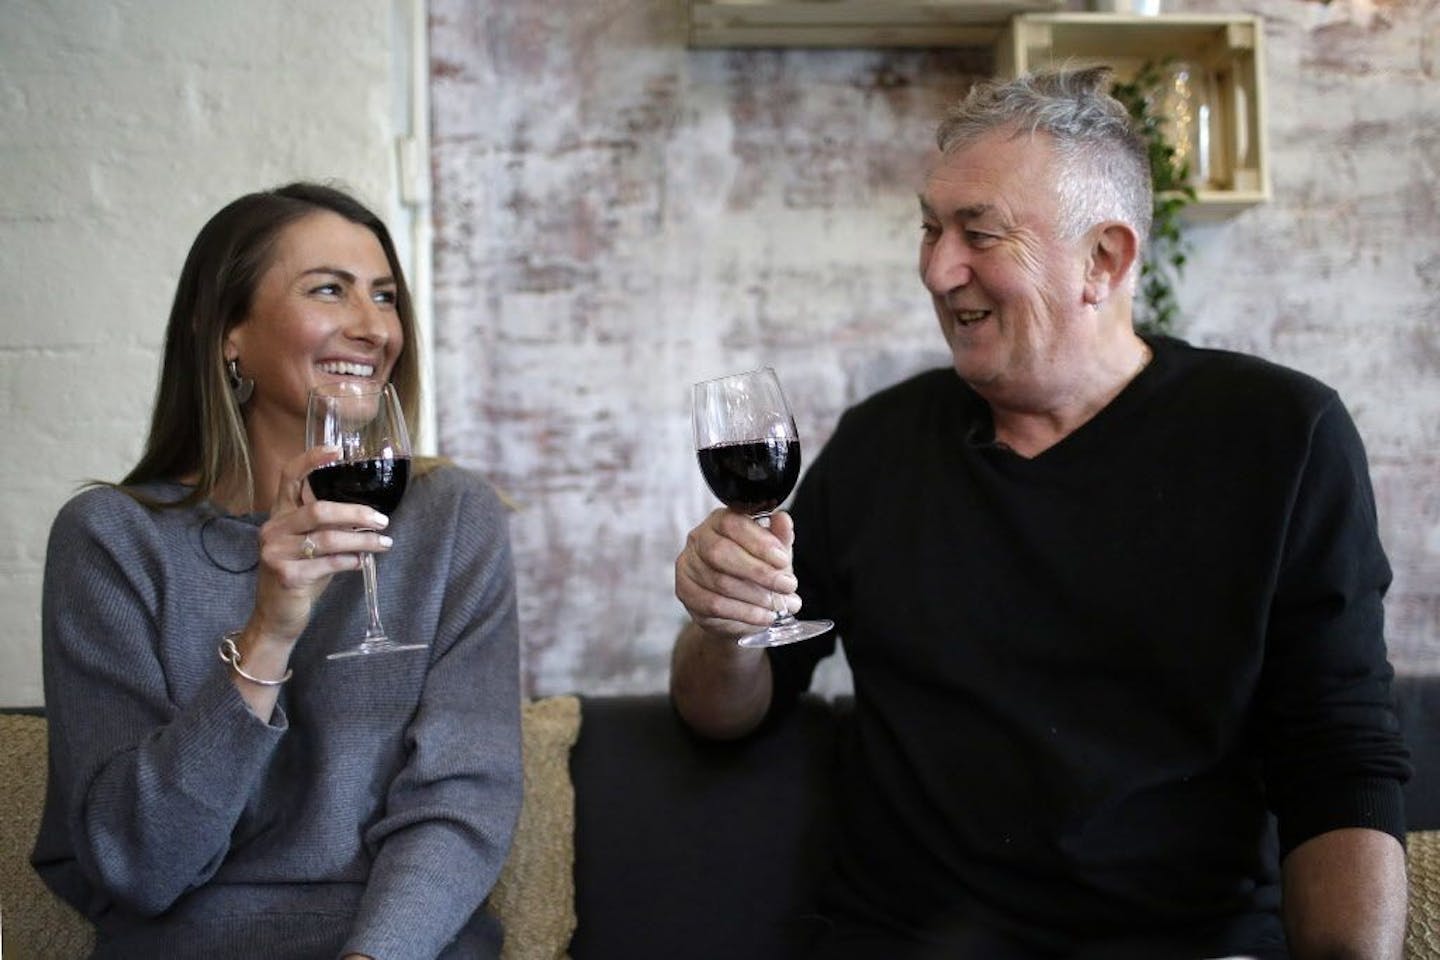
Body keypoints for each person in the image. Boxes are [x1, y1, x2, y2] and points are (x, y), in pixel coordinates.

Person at [671, 68, 1411, 959]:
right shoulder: (879, 443)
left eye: (978, 233)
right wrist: (722, 625)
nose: (939, 269)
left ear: (1105, 259)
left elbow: (1337, 757)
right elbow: (726, 713)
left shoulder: (1281, 436)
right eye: (930, 229)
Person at [33, 183, 522, 960]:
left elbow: (460, 803)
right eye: (330, 289)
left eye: (386, 296)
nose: (373, 328)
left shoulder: (451, 519)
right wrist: (269, 633)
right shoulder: (112, 541)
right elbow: (137, 863)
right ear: (229, 334)